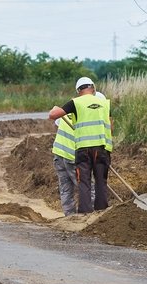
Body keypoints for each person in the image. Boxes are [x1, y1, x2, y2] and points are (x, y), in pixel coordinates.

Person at [48, 77, 112, 213]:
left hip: (59, 153)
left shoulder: (74, 106)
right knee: (88, 185)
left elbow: (55, 119)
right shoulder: (101, 108)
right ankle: (94, 214)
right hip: (74, 154)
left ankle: (71, 217)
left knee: (66, 189)